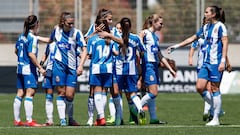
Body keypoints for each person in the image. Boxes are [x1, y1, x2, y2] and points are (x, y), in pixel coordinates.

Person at [168, 6, 228, 126]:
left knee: (215, 89)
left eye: (207, 12)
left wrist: (223, 61)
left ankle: (216, 118)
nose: (204, 14)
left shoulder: (220, 26)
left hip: (216, 62)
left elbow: (225, 43)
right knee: (200, 87)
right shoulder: (205, 27)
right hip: (205, 62)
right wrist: (177, 46)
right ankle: (218, 109)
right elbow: (192, 38)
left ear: (213, 14)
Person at [84, 8, 123, 126]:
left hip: (111, 65)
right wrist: (94, 33)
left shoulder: (113, 31)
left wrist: (109, 36)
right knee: (92, 92)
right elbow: (85, 41)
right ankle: (91, 118)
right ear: (103, 19)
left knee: (106, 91)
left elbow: (121, 42)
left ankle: (101, 117)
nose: (111, 22)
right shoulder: (94, 27)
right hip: (97, 64)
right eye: (109, 19)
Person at [49, 12, 87, 126]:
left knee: (70, 95)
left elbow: (84, 49)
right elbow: (50, 41)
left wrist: (80, 65)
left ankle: (70, 118)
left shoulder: (76, 33)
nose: (71, 25)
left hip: (72, 68)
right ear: (63, 22)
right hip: (59, 66)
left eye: (73, 23)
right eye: (69, 23)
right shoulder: (56, 31)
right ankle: (63, 120)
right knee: (61, 93)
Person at [139, 14, 176, 124]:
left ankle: (153, 118)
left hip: (154, 65)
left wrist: (170, 69)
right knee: (154, 93)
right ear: (154, 23)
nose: (162, 25)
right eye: (160, 23)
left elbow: (160, 55)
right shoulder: (145, 33)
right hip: (148, 65)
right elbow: (138, 40)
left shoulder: (155, 37)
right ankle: (137, 107)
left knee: (152, 94)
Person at [13, 15, 46, 127]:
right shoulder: (32, 38)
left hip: (20, 68)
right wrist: (40, 68)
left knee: (20, 93)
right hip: (28, 69)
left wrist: (22, 60)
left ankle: (17, 120)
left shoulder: (22, 36)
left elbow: (16, 50)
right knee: (30, 93)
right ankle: (29, 121)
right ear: (36, 24)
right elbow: (31, 54)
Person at [115, 17, 146, 125]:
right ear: (130, 26)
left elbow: (114, 52)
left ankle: (119, 117)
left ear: (121, 27)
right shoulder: (136, 38)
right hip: (132, 69)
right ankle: (140, 109)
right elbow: (142, 52)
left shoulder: (117, 37)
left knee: (117, 93)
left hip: (119, 69)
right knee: (132, 94)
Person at [39, 41, 56, 126]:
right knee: (49, 95)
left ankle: (66, 119)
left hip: (62, 71)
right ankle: (49, 120)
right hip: (49, 70)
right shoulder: (51, 43)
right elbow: (46, 54)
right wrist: (41, 65)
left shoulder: (67, 41)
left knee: (65, 94)